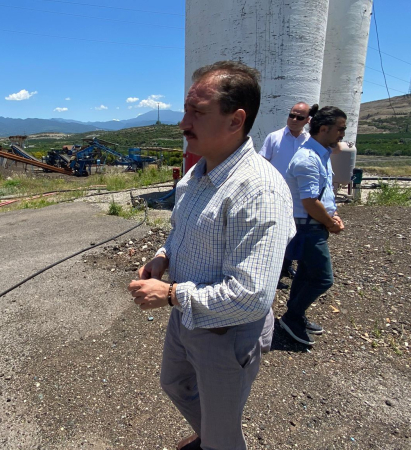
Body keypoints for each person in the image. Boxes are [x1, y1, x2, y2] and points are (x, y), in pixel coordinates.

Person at [128, 61, 295, 450]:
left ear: (235, 120)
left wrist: (171, 294)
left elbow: (251, 296)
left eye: (197, 112)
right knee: (175, 382)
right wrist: (163, 258)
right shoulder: (197, 173)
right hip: (187, 315)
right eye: (186, 110)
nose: (183, 123)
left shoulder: (260, 191)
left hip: (226, 332)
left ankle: (218, 440)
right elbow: (181, 232)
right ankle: (213, 436)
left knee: (222, 432)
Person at [280, 106, 347, 346]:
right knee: (322, 278)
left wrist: (333, 214)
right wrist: (330, 223)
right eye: (340, 129)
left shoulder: (321, 155)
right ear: (324, 128)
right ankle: (292, 317)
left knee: (306, 273)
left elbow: (323, 193)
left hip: (314, 224)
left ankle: (295, 314)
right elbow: (309, 201)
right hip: (308, 228)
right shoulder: (308, 159)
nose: (343, 134)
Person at [259, 102, 317, 288]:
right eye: (292, 115)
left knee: (294, 234)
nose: (294, 119)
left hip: (299, 197)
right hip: (275, 195)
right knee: (275, 236)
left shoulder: (310, 141)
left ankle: (286, 267)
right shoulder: (274, 137)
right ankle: (272, 275)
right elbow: (262, 163)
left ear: (308, 120)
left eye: (299, 117)